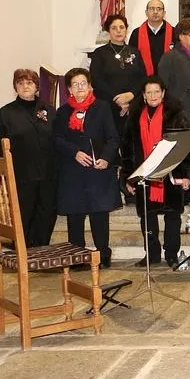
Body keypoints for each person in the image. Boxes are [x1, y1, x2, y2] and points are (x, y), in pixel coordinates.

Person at [121, 77, 190, 268]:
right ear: (144, 96)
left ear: (163, 93)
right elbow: (127, 147)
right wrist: (128, 176)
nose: (153, 95)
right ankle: (151, 254)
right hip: (144, 173)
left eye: (156, 91)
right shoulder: (135, 116)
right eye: (149, 92)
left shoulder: (176, 115)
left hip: (171, 174)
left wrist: (185, 175)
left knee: (172, 216)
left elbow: (185, 147)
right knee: (147, 217)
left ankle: (171, 253)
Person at [54, 68, 120, 268]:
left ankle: (103, 254)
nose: (80, 88)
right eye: (75, 84)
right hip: (73, 171)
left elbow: (113, 137)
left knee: (99, 215)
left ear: (90, 86)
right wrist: (74, 152)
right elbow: (56, 139)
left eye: (83, 83)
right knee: (75, 215)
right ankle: (77, 256)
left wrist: (107, 158)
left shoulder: (102, 108)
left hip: (97, 169)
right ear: (69, 90)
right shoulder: (62, 112)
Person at [0, 68, 57, 248]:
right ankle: (22, 253)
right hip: (21, 175)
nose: (25, 86)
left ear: (36, 86)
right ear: (15, 88)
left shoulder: (49, 110)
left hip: (48, 174)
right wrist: (0, 175)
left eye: (29, 83)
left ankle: (41, 252)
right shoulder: (6, 113)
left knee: (47, 214)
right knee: (24, 215)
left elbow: (58, 140)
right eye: (20, 83)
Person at [90, 14, 146, 138]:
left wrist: (130, 95)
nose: (118, 31)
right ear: (108, 31)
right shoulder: (100, 53)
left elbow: (143, 78)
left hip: (133, 106)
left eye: (121, 27)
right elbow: (96, 81)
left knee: (133, 145)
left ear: (126, 30)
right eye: (114, 28)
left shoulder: (135, 52)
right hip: (108, 107)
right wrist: (118, 99)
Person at [128, 0, 174, 77]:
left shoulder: (174, 32)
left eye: (159, 9)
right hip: (144, 81)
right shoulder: (137, 33)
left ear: (164, 13)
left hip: (170, 81)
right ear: (146, 12)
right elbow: (132, 59)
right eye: (152, 9)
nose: (155, 12)